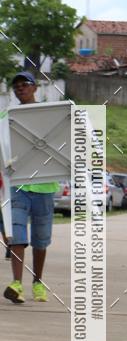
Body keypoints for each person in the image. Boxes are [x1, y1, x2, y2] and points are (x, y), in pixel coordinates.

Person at [1, 71, 59, 304]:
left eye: (25, 84)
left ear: (35, 88)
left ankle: (37, 282)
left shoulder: (50, 114)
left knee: (40, 240)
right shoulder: (7, 116)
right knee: (16, 235)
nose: (20, 89)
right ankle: (16, 284)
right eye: (16, 86)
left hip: (45, 187)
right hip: (17, 185)